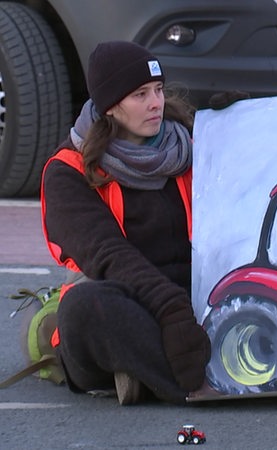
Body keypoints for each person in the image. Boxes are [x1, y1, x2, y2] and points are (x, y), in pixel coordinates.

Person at [40, 41, 210, 405]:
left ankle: (150, 373)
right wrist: (171, 310)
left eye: (159, 90)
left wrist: (235, 126)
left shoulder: (192, 146)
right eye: (140, 94)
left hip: (194, 298)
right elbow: (109, 256)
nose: (156, 103)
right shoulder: (68, 171)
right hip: (133, 299)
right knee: (84, 308)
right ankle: (204, 383)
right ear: (111, 106)